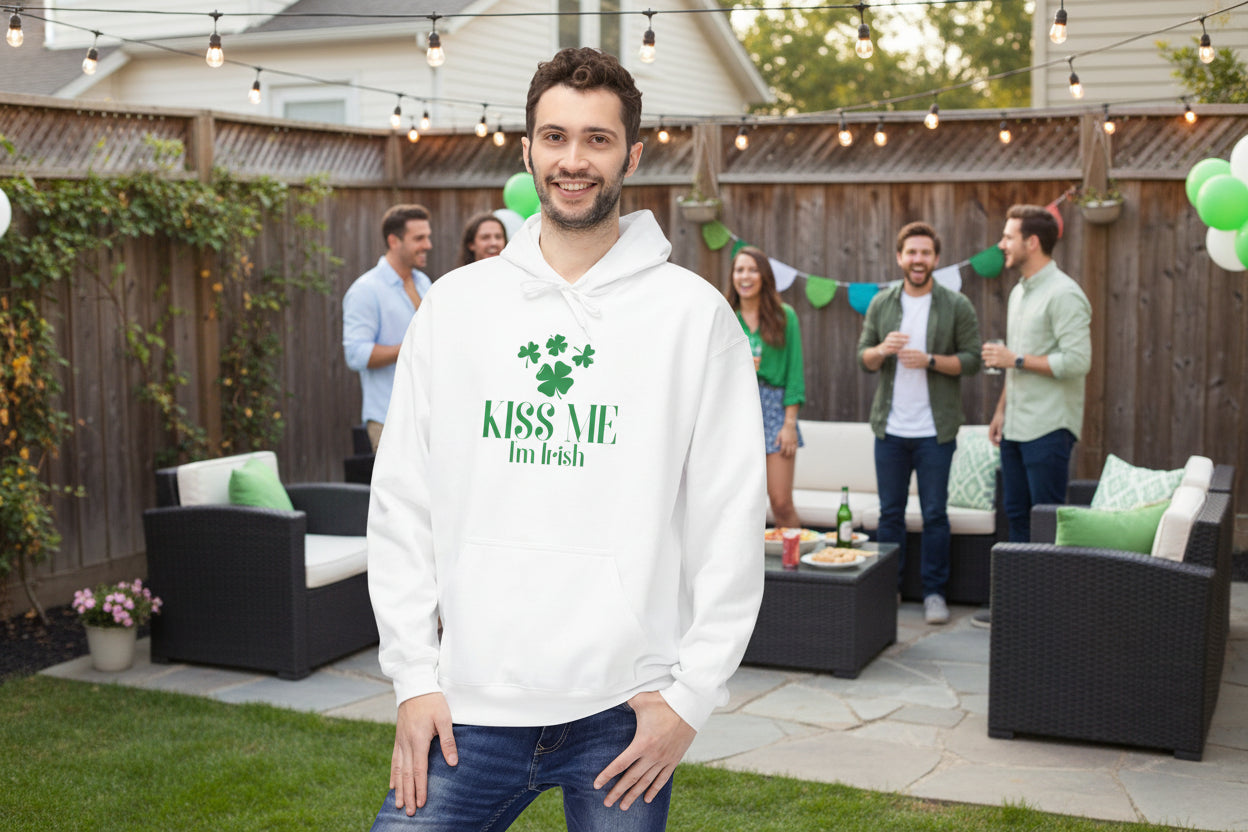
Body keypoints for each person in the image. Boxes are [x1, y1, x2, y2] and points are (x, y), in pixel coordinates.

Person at [366, 47, 765, 831]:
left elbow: (730, 516)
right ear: (526, 150)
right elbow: (402, 499)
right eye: (554, 137)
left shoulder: (692, 317)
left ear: (633, 155)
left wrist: (691, 697)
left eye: (597, 139)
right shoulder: (456, 308)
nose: (573, 160)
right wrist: (414, 676)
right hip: (469, 706)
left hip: (624, 710)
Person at [857, 222, 982, 625]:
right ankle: (887, 590)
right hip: (890, 430)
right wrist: (882, 349)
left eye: (925, 253)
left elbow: (972, 360)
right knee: (890, 514)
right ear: (899, 257)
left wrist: (928, 360)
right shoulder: (882, 304)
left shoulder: (955, 305)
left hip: (936, 431)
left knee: (934, 514)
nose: (918, 260)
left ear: (936, 259)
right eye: (911, 252)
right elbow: (863, 358)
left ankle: (934, 593)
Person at [974, 205, 1091, 629]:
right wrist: (1000, 411)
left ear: (1032, 242)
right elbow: (1014, 364)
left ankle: (1050, 614)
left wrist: (1016, 358)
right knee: (1017, 517)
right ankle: (1019, 607)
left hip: (1049, 426)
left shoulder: (1064, 294)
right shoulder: (1020, 291)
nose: (1001, 245)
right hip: (1017, 426)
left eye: (1008, 237)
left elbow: (1078, 361)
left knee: (1047, 518)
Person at [342, 204, 434, 451]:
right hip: (389, 421)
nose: (428, 245)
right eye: (419, 238)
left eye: (428, 237)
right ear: (394, 241)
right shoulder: (366, 291)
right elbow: (356, 355)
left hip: (430, 418)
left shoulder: (423, 282)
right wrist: (409, 347)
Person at [726, 246, 805, 529]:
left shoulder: (786, 317)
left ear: (764, 277)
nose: (745, 276)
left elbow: (795, 374)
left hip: (774, 409)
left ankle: (798, 572)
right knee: (739, 506)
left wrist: (790, 423)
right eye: (739, 270)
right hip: (734, 412)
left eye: (752, 269)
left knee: (781, 503)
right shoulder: (724, 316)